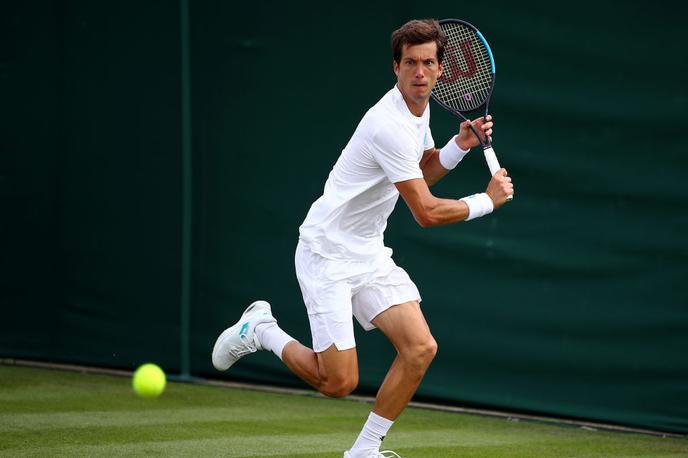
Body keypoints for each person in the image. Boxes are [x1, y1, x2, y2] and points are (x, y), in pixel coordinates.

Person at [212, 18, 514, 458]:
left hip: (368, 252)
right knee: (339, 382)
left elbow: (420, 168)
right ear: (396, 67)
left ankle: (363, 452)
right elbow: (425, 211)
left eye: (428, 63)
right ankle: (260, 329)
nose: (419, 72)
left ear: (441, 70)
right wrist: (486, 201)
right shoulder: (385, 123)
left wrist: (459, 145)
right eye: (410, 63)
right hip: (327, 254)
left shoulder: (420, 108)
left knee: (419, 348)